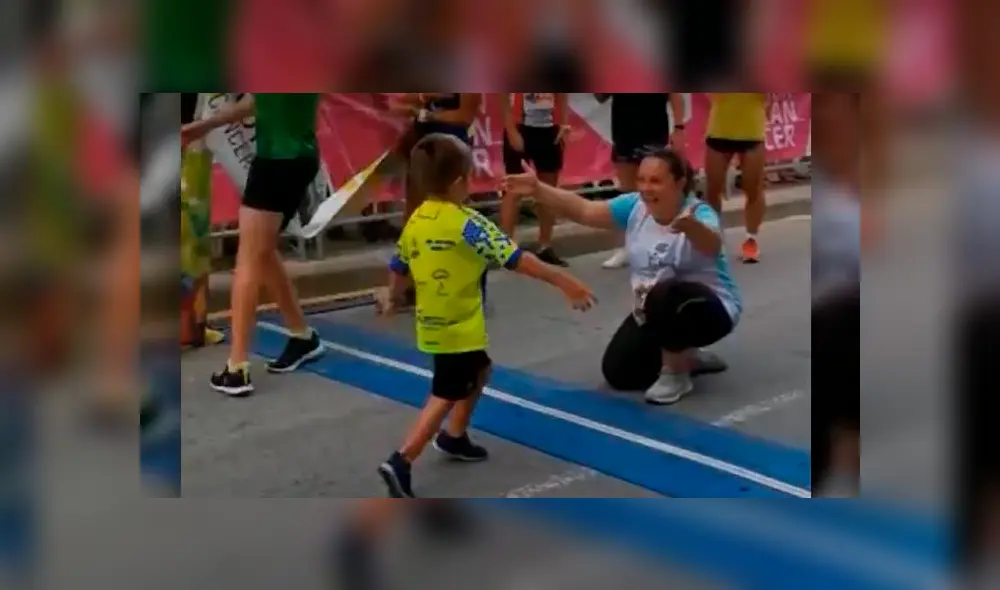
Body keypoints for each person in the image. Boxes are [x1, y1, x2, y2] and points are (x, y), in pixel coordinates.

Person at [375, 133, 596, 498]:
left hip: (432, 323)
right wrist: (564, 281)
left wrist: (393, 301)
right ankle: (403, 458)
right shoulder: (468, 223)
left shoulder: (416, 220)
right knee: (445, 392)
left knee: (480, 369)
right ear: (460, 182)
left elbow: (399, 265)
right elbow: (518, 259)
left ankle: (455, 435)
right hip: (458, 327)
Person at [504, 148, 740, 404]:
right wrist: (539, 189)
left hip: (711, 310)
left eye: (656, 181)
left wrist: (691, 227)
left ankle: (676, 374)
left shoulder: (698, 213)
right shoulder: (635, 207)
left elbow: (712, 246)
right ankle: (689, 355)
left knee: (667, 292)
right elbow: (585, 210)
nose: (646, 188)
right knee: (619, 374)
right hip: (654, 310)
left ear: (680, 182)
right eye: (642, 180)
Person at [181, 94, 325, 397]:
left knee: (247, 261)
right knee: (261, 248)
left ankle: (237, 367)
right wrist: (205, 125)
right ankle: (302, 336)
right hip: (301, 158)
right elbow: (255, 103)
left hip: (276, 163)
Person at [594, 93, 687, 269]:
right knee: (628, 193)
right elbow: (600, 97)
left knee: (658, 192)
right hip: (623, 133)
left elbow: (675, 95)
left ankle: (666, 244)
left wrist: (679, 127)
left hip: (654, 134)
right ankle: (627, 248)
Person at [499, 93, 571, 266]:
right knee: (513, 188)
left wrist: (563, 123)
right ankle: (506, 248)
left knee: (549, 189)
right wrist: (511, 129)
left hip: (549, 129)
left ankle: (545, 245)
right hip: (520, 127)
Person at [702, 93, 769, 263]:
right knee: (713, 188)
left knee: (753, 187)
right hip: (719, 131)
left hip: (752, 132)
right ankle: (715, 237)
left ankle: (751, 239)